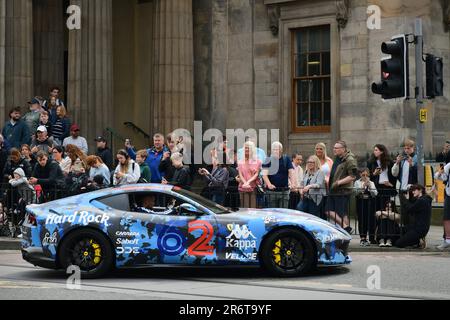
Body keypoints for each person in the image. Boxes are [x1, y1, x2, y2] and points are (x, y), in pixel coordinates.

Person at [326, 140, 358, 234]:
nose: (334, 149)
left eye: (336, 148)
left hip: (342, 190)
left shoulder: (350, 159)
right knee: (328, 210)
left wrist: (338, 183)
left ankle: (346, 232)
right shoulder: (337, 158)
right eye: (334, 148)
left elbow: (353, 176)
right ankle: (346, 228)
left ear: (343, 149)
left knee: (342, 212)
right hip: (334, 190)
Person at [262, 142, 297, 209]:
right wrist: (269, 184)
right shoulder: (267, 160)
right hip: (271, 192)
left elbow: (291, 171)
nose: (275, 151)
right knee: (272, 212)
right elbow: (264, 175)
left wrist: (293, 183)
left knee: (283, 212)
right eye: (273, 149)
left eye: (277, 149)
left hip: (284, 191)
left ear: (281, 150)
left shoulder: (286, 159)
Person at [396, 184, 432, 249]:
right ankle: (417, 241)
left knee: (399, 243)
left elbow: (410, 209)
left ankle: (418, 241)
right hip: (415, 227)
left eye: (414, 190)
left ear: (420, 190)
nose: (413, 192)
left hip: (419, 229)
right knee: (397, 231)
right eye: (412, 191)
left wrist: (406, 199)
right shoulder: (424, 199)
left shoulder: (422, 201)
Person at [367, 144, 397, 211]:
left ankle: (384, 221)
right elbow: (367, 176)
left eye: (376, 150)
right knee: (375, 208)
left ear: (382, 151)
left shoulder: (389, 162)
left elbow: (394, 175)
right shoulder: (371, 162)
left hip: (386, 187)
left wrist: (391, 184)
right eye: (374, 150)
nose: (374, 152)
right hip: (375, 187)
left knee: (385, 208)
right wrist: (374, 174)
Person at [354, 168, 378, 246]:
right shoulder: (357, 182)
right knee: (362, 220)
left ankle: (371, 237)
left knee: (371, 219)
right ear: (360, 174)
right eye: (363, 175)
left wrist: (370, 187)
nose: (365, 176)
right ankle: (363, 238)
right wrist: (362, 187)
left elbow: (375, 193)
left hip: (369, 202)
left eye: (366, 175)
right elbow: (355, 192)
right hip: (361, 202)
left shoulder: (371, 183)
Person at [237, 141, 262, 208]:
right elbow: (240, 174)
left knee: (253, 209)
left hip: (253, 187)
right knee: (244, 208)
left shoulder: (258, 161)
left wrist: (248, 182)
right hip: (243, 187)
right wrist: (245, 183)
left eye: (248, 148)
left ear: (252, 149)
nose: (247, 149)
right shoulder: (240, 161)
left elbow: (256, 174)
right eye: (245, 148)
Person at [434, 162, 450, 250]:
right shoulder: (449, 166)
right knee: (447, 218)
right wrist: (440, 172)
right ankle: (447, 241)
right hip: (449, 195)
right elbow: (437, 176)